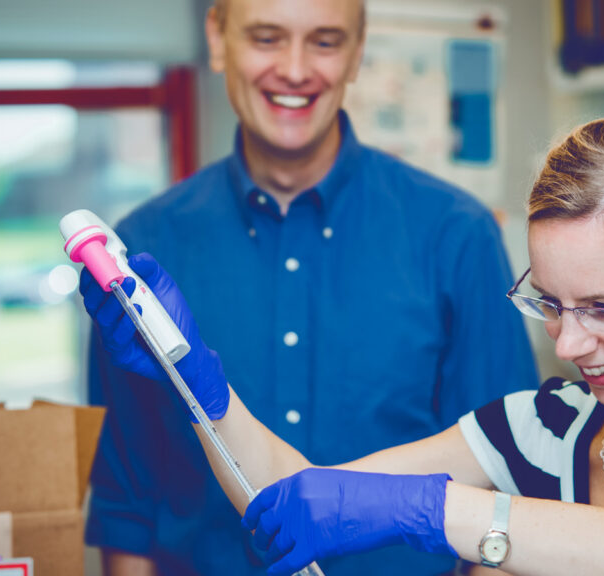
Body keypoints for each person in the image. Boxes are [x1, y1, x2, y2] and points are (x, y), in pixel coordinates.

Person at [83, 109, 604, 575]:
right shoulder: (548, 427)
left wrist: (438, 511)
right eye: (549, 304)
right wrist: (194, 379)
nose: (570, 343)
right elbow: (294, 491)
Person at [81, 0, 539, 573]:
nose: (295, 70)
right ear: (217, 39)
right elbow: (126, 508)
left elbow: (508, 483)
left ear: (357, 51)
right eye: (267, 38)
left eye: (324, 41)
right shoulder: (143, 251)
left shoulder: (457, 235)